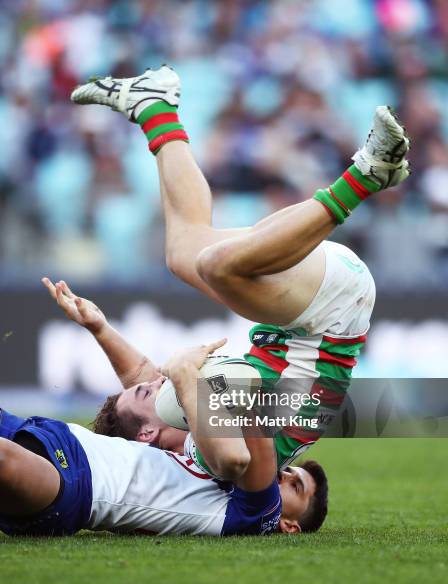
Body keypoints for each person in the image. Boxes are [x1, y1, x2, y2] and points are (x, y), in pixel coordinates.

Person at [65, 65, 410, 469]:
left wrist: (100, 329)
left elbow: (144, 375)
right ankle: (367, 175)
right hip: (327, 318)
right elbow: (233, 460)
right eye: (144, 394)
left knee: (182, 252)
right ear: (147, 435)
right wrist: (187, 376)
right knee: (214, 265)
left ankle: (152, 104)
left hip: (306, 306)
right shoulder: (204, 455)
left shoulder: (179, 424)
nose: (156, 380)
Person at [0, 340, 327, 537]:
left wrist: (194, 372)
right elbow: (153, 393)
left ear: (288, 525)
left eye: (295, 485)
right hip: (51, 435)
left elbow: (248, 442)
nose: (283, 473)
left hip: (72, 485)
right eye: (289, 471)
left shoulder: (257, 514)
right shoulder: (205, 467)